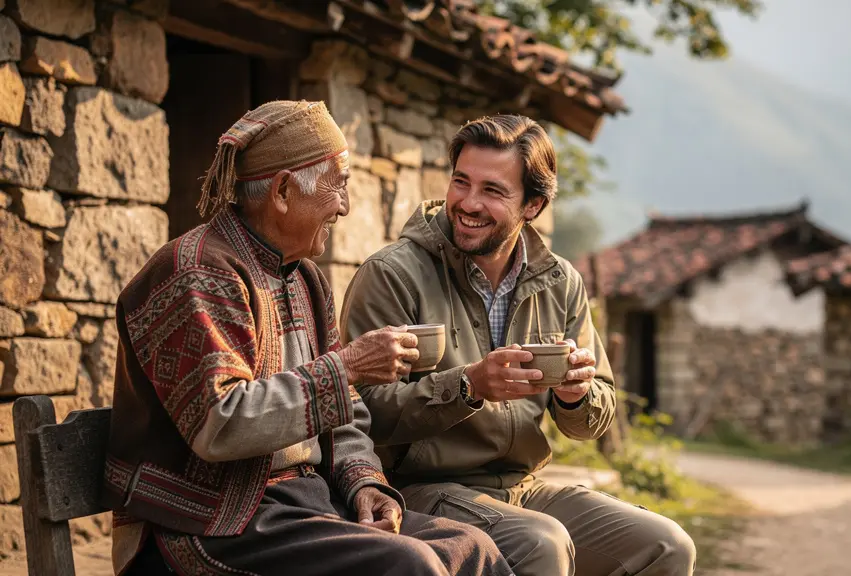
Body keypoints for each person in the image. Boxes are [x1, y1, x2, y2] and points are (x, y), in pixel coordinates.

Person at [100, 100, 512, 576]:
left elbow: (346, 416)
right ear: (282, 190)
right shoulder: (195, 272)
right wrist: (350, 366)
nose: (345, 205)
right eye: (338, 184)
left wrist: (364, 484)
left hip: (301, 504)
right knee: (409, 565)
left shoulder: (305, 279)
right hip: (206, 524)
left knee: (472, 547)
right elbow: (220, 424)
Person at [340, 114, 697, 576]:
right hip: (419, 490)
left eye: (492, 190)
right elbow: (361, 413)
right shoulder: (392, 274)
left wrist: (576, 396)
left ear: (533, 205)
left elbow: (595, 417)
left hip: (523, 487)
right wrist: (469, 385)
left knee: (668, 546)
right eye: (460, 182)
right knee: (540, 543)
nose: (468, 203)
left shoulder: (560, 281)